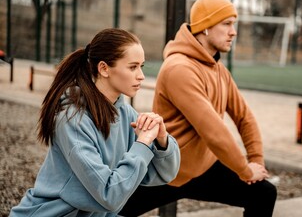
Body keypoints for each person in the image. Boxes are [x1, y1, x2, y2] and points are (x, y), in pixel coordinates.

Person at [120, 0, 277, 216]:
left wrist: (256, 164)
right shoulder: (179, 68)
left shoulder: (218, 70)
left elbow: (244, 117)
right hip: (165, 170)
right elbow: (213, 130)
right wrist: (244, 170)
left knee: (262, 193)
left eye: (234, 24)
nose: (233, 31)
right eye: (227, 24)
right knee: (109, 210)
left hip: (203, 169)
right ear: (205, 27)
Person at [9, 28, 180, 217]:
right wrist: (141, 144)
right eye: (132, 67)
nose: (140, 75)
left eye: (142, 66)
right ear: (104, 68)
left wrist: (161, 142)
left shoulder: (126, 114)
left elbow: (164, 174)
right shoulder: (73, 119)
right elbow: (109, 195)